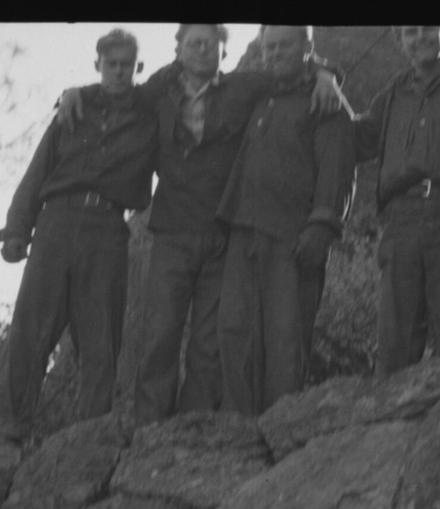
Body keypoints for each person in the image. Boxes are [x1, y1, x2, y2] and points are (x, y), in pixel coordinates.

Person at [57, 27, 346, 422]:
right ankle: (150, 424)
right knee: (160, 333)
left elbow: (294, 70)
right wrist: (75, 93)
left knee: (209, 342)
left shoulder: (245, 87)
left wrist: (327, 75)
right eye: (194, 42)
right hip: (172, 229)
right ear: (178, 49)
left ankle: (195, 423)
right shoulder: (159, 89)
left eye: (211, 44)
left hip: (222, 235)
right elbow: (117, 89)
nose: (202, 50)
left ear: (223, 51)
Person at [0, 29, 157, 444]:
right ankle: (4, 429)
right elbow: (37, 172)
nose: (118, 72)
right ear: (97, 65)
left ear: (137, 68)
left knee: (100, 340)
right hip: (55, 224)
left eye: (126, 65)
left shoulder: (150, 117)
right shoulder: (71, 111)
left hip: (108, 230)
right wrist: (16, 229)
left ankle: (90, 436)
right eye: (110, 64)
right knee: (29, 329)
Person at [216, 25, 356, 414]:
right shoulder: (261, 96)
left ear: (307, 47)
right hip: (243, 233)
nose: (275, 53)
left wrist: (322, 226)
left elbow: (337, 168)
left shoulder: (326, 101)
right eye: (268, 47)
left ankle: (279, 433)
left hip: (292, 237)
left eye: (284, 45)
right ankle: (236, 433)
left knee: (285, 340)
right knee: (234, 333)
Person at [352, 26, 440, 375]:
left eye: (428, 29)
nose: (420, 37)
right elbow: (359, 137)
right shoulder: (394, 91)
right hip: (401, 216)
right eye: (411, 32)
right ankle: (391, 426)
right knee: (394, 339)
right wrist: (323, 78)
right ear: (400, 41)